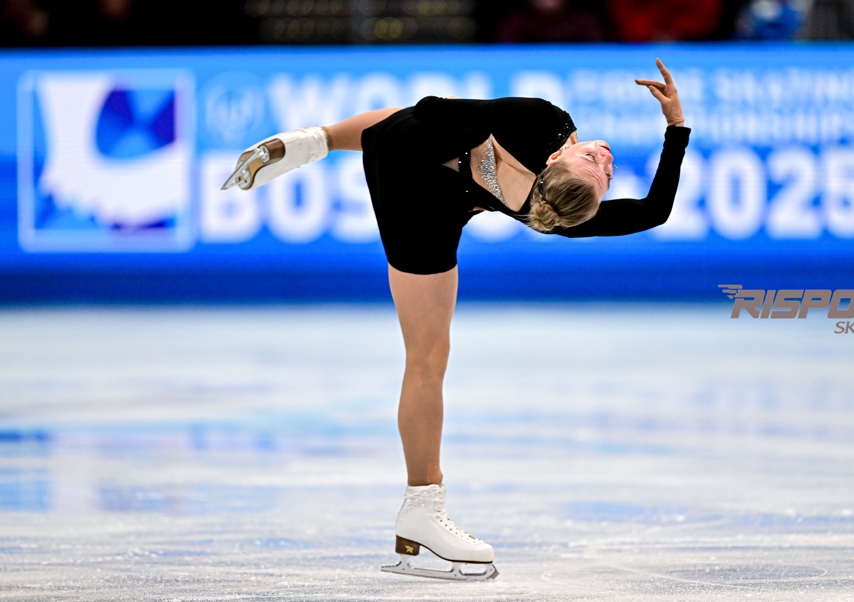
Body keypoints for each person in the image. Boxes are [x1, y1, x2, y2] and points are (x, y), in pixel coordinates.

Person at [223, 58, 689, 581]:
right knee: (426, 360)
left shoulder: (560, 192)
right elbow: (429, 113)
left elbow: (653, 211)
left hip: (420, 182)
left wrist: (675, 127)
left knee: (427, 353)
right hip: (412, 171)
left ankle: (313, 141)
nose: (604, 158)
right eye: (596, 159)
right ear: (555, 156)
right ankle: (420, 510)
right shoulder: (544, 144)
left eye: (603, 171)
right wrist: (673, 126)